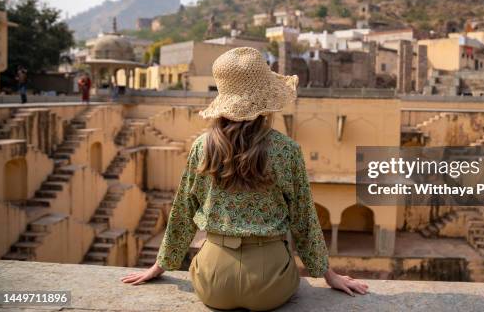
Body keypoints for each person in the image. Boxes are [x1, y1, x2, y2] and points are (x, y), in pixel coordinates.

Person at [121, 47, 368, 310]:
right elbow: (303, 217)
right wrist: (327, 274)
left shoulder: (202, 147)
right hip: (270, 282)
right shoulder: (285, 150)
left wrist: (160, 265)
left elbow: (183, 211)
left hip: (213, 282)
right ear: (265, 102)